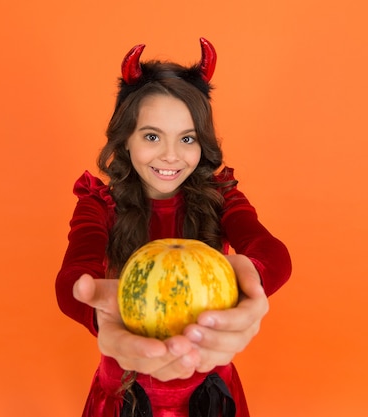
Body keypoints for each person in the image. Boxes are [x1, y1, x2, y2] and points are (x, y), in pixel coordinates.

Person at [55, 37, 292, 417]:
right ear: (126, 139)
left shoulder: (221, 196)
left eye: (187, 139)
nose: (170, 155)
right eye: (152, 136)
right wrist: (100, 311)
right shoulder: (99, 204)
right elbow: (73, 276)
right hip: (125, 393)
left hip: (210, 395)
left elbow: (271, 252)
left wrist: (254, 279)